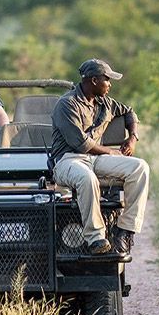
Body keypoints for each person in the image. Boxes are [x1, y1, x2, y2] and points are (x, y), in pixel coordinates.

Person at [49, 58, 148, 256]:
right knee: (87, 178)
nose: (110, 84)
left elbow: (130, 112)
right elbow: (81, 143)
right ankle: (96, 239)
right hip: (68, 160)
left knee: (140, 167)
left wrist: (132, 138)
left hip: (95, 160)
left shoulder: (105, 103)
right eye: (107, 79)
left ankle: (125, 231)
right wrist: (111, 151)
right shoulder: (67, 104)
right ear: (94, 80)